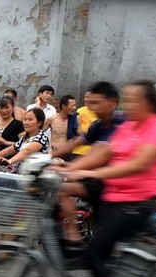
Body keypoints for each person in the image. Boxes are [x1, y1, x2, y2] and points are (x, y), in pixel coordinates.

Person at [66, 81, 156, 277]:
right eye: (127, 100)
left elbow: (138, 164)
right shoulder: (128, 126)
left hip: (136, 203)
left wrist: (92, 174)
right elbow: (105, 152)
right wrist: (69, 168)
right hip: (114, 199)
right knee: (101, 252)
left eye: (133, 100)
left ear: (148, 103)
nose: (127, 105)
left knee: (95, 252)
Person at [52, 81, 125, 243]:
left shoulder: (122, 124)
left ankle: (73, 235)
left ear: (112, 103)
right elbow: (77, 141)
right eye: (90, 103)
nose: (91, 108)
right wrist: (49, 156)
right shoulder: (98, 125)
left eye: (96, 103)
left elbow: (102, 154)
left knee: (62, 189)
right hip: (97, 178)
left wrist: (71, 168)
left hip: (112, 183)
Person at [71, 91, 96, 157]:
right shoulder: (80, 111)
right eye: (85, 97)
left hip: (93, 152)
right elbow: (77, 130)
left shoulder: (99, 112)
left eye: (88, 97)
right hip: (79, 151)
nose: (86, 99)